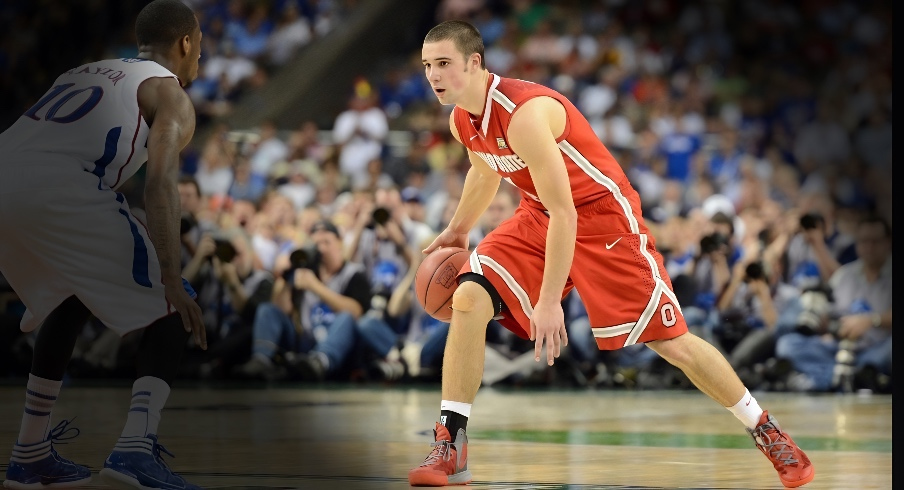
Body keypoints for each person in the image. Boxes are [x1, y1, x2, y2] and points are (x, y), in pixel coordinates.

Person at [409, 20, 814, 488]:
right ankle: (450, 442)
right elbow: (485, 169)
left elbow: (569, 214)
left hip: (602, 218)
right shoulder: (463, 119)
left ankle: (766, 430)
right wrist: (458, 230)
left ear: (474, 63)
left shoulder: (524, 115)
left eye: (444, 64)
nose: (434, 75)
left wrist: (546, 303)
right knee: (468, 296)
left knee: (670, 340)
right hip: (540, 213)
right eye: (427, 66)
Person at [0, 1, 206, 489]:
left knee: (68, 300)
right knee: (175, 308)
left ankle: (30, 454)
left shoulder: (82, 72)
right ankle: (134, 454)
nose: (199, 59)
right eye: (200, 47)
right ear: (185, 44)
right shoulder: (169, 93)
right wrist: (171, 279)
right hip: (59, 185)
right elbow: (159, 187)